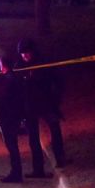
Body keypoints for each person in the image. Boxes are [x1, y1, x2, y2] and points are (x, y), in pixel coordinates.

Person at [16, 38, 66, 177]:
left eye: (27, 52)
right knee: (33, 138)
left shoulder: (43, 64)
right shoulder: (19, 67)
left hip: (47, 102)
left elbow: (58, 81)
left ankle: (60, 159)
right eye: (22, 53)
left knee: (55, 130)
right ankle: (38, 169)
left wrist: (55, 99)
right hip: (30, 106)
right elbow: (16, 88)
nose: (25, 55)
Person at [0, 55, 27, 183]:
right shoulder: (16, 80)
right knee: (13, 145)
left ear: (2, 66)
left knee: (11, 146)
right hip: (14, 116)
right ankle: (16, 171)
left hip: (7, 117)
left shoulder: (6, 81)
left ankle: (16, 173)